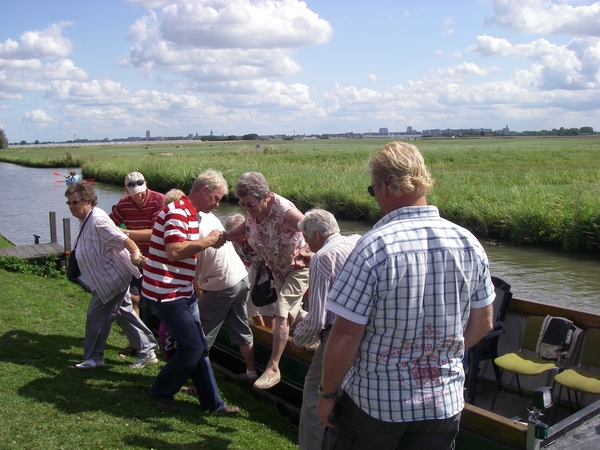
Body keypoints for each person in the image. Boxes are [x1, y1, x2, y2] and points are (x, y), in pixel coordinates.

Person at [316, 142, 495, 450]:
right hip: (443, 404)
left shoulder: (373, 247)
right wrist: (438, 352)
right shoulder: (468, 242)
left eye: (373, 191)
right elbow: (484, 323)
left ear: (384, 187)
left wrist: (327, 395)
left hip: (376, 407)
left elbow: (345, 337)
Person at [142, 169, 239, 415]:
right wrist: (208, 241)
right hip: (166, 292)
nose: (218, 204)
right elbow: (174, 251)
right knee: (193, 348)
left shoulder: (187, 212)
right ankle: (160, 391)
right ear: (204, 190)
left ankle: (212, 403)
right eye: (216, 198)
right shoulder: (177, 212)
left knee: (199, 348)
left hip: (180, 290)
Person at [223, 172, 310, 390]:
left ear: (267, 196)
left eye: (250, 204)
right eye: (241, 204)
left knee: (281, 310)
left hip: (298, 268)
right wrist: (227, 236)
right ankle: (317, 328)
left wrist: (308, 254)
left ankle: (273, 368)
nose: (246, 209)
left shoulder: (286, 213)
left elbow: (315, 231)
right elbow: (248, 226)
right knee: (294, 311)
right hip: (277, 269)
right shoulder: (252, 209)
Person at [65, 181, 158, 370]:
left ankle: (94, 357)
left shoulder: (98, 220)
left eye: (75, 202)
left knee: (96, 316)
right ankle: (148, 351)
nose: (72, 207)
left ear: (88, 201)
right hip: (107, 277)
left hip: (111, 278)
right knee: (124, 313)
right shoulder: (88, 218)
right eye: (69, 203)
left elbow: (124, 239)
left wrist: (135, 253)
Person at [292, 209, 360, 450]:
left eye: (307, 239)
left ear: (317, 235)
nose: (307, 245)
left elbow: (317, 318)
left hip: (335, 336)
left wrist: (298, 340)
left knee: (314, 400)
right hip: (362, 334)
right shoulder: (356, 242)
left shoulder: (322, 257)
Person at [194, 210, 257, 385]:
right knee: (241, 327)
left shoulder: (188, 226)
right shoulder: (211, 218)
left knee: (201, 333)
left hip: (221, 284)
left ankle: (198, 381)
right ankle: (251, 372)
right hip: (240, 278)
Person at [110, 171, 165, 358]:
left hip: (158, 258)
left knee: (161, 301)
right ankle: (135, 341)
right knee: (134, 298)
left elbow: (155, 233)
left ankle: (166, 341)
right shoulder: (123, 204)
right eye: (134, 194)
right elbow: (109, 224)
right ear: (127, 191)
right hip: (135, 259)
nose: (139, 196)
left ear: (146, 184)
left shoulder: (159, 200)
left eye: (142, 192)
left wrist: (125, 233)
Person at [224, 213, 275, 329]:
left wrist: (267, 264)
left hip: (268, 272)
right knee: (249, 302)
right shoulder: (234, 242)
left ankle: (270, 333)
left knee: (267, 304)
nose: (234, 238)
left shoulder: (258, 238)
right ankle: (261, 328)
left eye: (236, 234)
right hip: (251, 269)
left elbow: (273, 253)